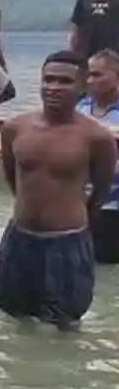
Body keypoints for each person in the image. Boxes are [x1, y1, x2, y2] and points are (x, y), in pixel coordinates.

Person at [0, 50, 117, 329]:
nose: (53, 87)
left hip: (67, 241)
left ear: (83, 86)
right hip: (20, 237)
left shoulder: (96, 137)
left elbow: (101, 190)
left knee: (64, 325)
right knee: (13, 318)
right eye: (48, 79)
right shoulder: (16, 128)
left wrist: (76, 218)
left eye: (64, 81)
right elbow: (12, 176)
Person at [77, 49, 119, 263]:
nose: (90, 80)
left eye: (97, 74)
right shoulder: (81, 106)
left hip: (113, 207)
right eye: (88, 74)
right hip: (80, 203)